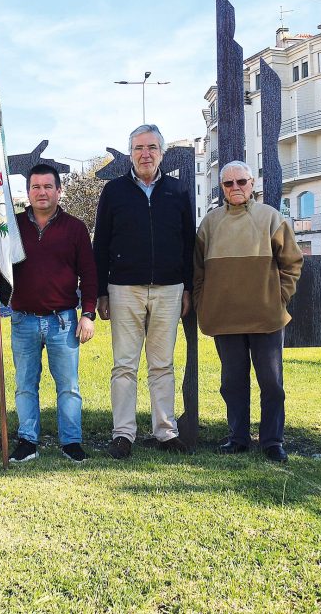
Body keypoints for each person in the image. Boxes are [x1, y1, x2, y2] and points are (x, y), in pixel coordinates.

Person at [93, 124, 195, 459]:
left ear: (162, 152)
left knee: (162, 364)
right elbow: (101, 243)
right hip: (123, 289)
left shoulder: (179, 192)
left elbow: (188, 243)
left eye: (151, 147)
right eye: (138, 148)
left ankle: (165, 431)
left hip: (169, 289)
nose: (145, 154)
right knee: (124, 364)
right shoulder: (114, 191)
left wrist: (187, 287)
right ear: (130, 154)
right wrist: (101, 292)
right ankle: (123, 433)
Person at [0, 164, 97, 464]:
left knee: (69, 386)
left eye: (48, 186)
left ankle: (71, 442)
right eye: (36, 187)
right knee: (25, 384)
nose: (42, 192)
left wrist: (88, 314)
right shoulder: (11, 226)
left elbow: (88, 275)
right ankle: (27, 441)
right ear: (28, 192)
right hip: (23, 319)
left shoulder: (75, 228)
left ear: (59, 191)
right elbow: (2, 265)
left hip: (63, 321)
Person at [193, 160, 303, 463]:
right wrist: (205, 303)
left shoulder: (271, 218)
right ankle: (237, 437)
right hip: (225, 318)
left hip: (266, 317)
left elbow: (292, 264)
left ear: (252, 183)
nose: (235, 188)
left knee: (271, 382)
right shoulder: (210, 223)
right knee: (232, 383)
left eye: (241, 182)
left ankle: (272, 441)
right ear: (222, 188)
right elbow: (197, 271)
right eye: (228, 184)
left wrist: (278, 298)